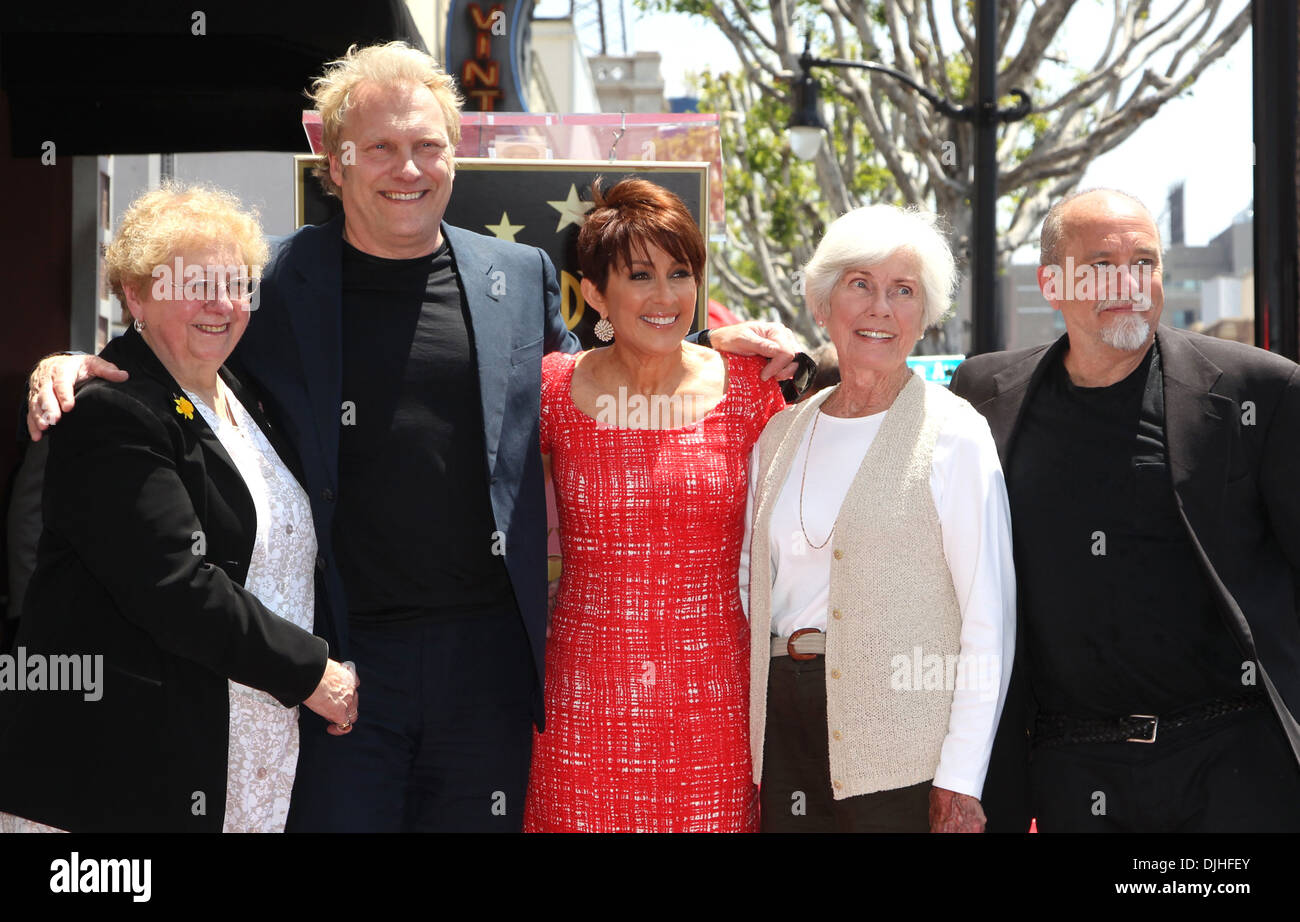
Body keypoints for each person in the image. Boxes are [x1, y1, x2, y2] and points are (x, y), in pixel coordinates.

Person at [24, 43, 803, 832]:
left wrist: (753, 352)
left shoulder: (518, 275)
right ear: (335, 162)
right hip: (340, 669)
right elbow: (183, 355)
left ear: (454, 156)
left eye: (428, 145)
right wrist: (81, 362)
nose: (409, 167)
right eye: (383, 147)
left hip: (492, 674)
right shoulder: (274, 288)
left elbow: (606, 386)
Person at [0, 185, 358, 833]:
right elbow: (173, 587)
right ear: (135, 294)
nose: (221, 304)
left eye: (237, 283)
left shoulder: (246, 392)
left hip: (249, 747)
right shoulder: (110, 410)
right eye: (194, 283)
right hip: (127, 771)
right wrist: (313, 674)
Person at [949, 188, 1300, 833]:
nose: (1129, 282)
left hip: (1232, 764)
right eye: (1102, 263)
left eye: (1145, 262)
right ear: (1051, 282)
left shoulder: (1260, 391)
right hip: (1071, 770)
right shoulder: (983, 393)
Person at [522, 179, 788, 832]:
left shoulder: (750, 390)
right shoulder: (553, 390)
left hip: (714, 703)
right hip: (581, 702)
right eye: (640, 275)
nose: (667, 296)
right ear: (594, 294)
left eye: (681, 272)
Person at [742, 204, 1016, 833]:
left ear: (924, 315)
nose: (881, 309)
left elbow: (988, 617)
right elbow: (750, 582)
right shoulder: (780, 434)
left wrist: (961, 778)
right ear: (821, 302)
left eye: (903, 291)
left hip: (903, 755)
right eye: (860, 284)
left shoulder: (955, 434)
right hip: (785, 737)